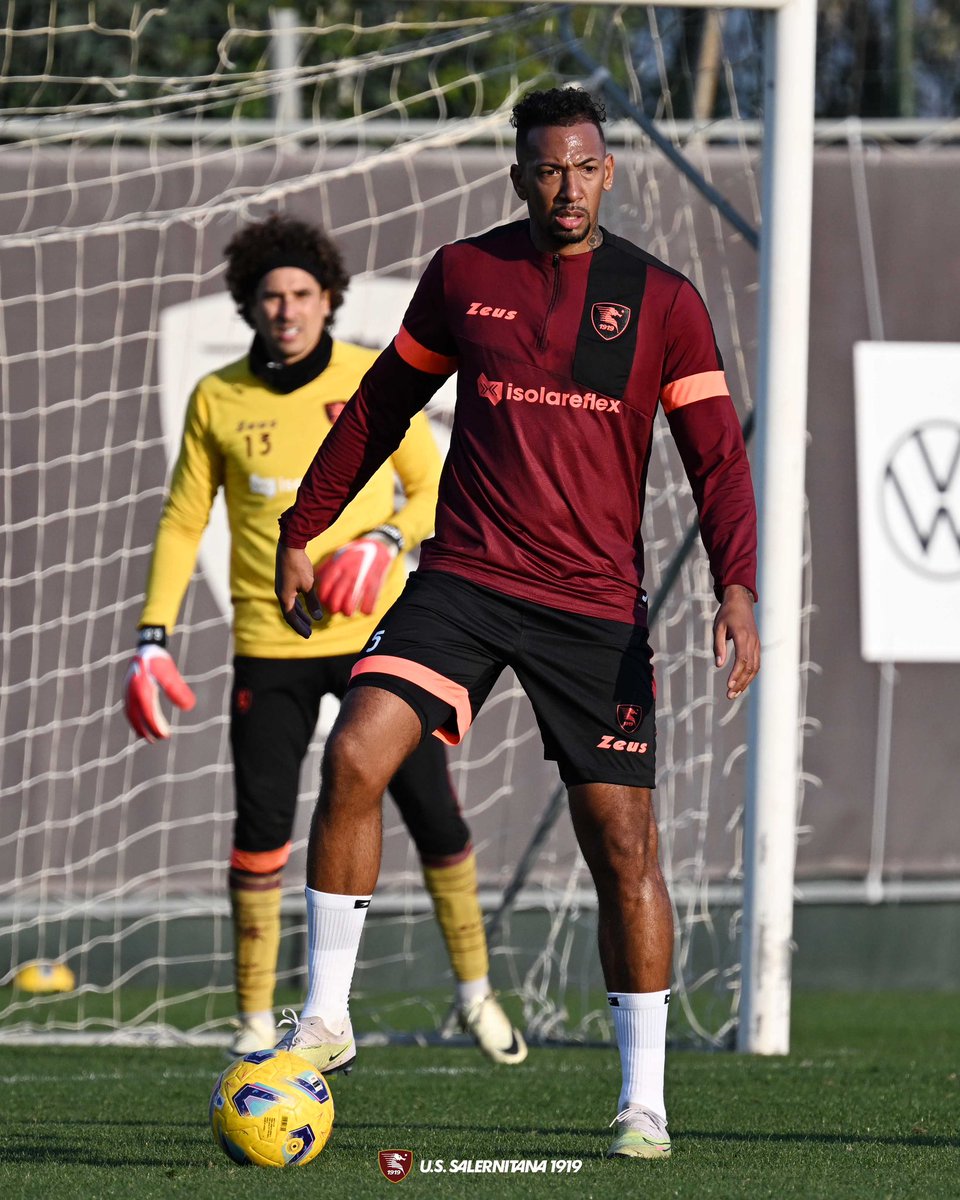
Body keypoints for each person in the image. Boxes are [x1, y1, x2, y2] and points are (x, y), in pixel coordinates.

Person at [274, 89, 760, 1160]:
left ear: (610, 173)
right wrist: (303, 529)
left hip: (592, 610)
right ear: (519, 177)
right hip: (465, 581)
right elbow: (377, 412)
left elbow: (717, 457)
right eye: (548, 169)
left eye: (586, 167)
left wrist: (737, 585)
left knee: (623, 849)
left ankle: (644, 1103)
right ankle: (326, 1018)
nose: (568, 187)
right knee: (355, 750)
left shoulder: (663, 301)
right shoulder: (465, 275)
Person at [123, 213, 526, 1066]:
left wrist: (382, 544)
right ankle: (252, 1016)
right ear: (248, 306)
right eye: (270, 297)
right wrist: (151, 637)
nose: (287, 310)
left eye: (302, 294)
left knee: (434, 815)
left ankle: (475, 994)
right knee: (260, 831)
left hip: (379, 640)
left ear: (329, 300)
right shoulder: (217, 398)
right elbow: (184, 517)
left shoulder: (366, 381)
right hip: (270, 644)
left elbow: (429, 489)